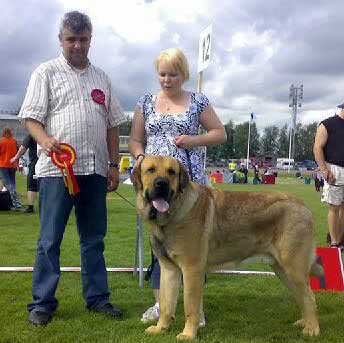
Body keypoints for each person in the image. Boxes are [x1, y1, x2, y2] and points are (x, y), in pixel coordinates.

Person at [19, 11, 126, 326]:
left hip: (94, 172)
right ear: (61, 40)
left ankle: (98, 299)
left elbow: (112, 125)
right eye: (71, 40)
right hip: (56, 173)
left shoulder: (102, 78)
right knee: (49, 239)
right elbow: (30, 118)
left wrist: (111, 164)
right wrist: (45, 139)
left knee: (94, 239)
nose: (77, 45)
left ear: (91, 39)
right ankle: (42, 303)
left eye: (83, 39)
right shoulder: (45, 73)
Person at [129, 47, 226, 326]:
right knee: (159, 247)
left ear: (183, 74)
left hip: (187, 181)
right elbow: (136, 139)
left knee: (195, 247)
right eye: (162, 74)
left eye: (173, 74)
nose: (167, 79)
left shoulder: (198, 101)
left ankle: (196, 311)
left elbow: (220, 133)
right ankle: (161, 305)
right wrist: (139, 158)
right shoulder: (145, 102)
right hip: (150, 179)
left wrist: (193, 141)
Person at [313, 101, 344, 249]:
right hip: (334, 169)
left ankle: (340, 239)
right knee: (334, 207)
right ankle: (334, 242)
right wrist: (324, 170)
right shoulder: (327, 124)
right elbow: (317, 147)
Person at [10, 134, 38, 213]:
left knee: (31, 186)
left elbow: (22, 148)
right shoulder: (49, 134)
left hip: (35, 164)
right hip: (49, 164)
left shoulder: (31, 135)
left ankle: (30, 207)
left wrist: (15, 157)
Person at [0, 128, 22, 209]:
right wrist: (17, 164)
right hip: (12, 165)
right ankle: (12, 202)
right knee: (12, 184)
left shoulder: (1, 141)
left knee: (8, 184)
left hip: (3, 165)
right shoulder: (14, 141)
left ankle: (16, 202)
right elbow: (18, 153)